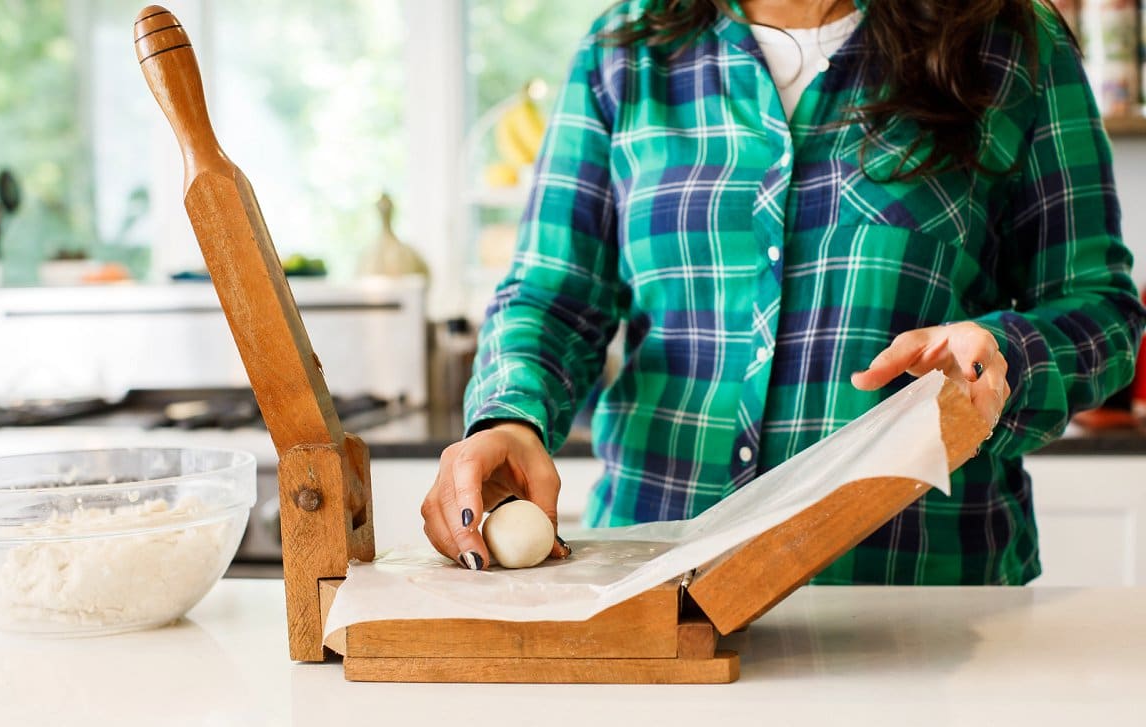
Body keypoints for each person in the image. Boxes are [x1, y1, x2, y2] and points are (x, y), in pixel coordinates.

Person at [421, 0, 1145, 582]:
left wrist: (1005, 353)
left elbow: (1101, 306)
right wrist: (509, 419)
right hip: (649, 592)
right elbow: (553, 297)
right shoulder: (622, 53)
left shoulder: (1014, 42)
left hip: (919, 599)